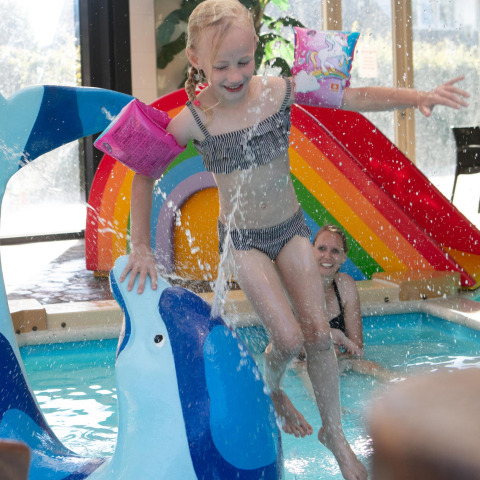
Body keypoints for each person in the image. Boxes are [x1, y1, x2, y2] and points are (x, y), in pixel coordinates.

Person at [118, 1, 469, 478]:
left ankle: (335, 435)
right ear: (197, 58)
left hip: (289, 229)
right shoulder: (195, 119)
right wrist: (140, 244)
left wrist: (417, 96)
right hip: (243, 239)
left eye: (245, 61)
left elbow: (352, 95)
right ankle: (275, 387)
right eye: (222, 66)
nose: (236, 74)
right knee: (285, 337)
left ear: (257, 50)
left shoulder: (281, 91)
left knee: (320, 336)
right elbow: (143, 170)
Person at [308, 224, 397, 382]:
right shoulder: (295, 286)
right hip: (302, 362)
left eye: (335, 251)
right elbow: (286, 345)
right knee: (308, 371)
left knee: (375, 369)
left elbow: (357, 346)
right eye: (322, 248)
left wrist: (340, 361)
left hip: (339, 360)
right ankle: (330, 408)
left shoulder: (346, 287)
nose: (327, 256)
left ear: (343, 257)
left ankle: (408, 387)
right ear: (311, 250)